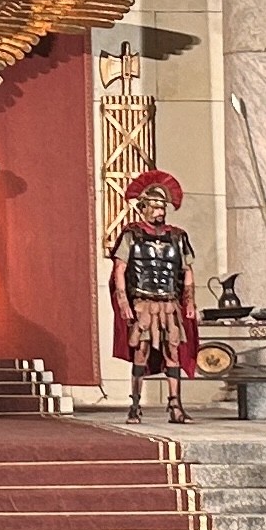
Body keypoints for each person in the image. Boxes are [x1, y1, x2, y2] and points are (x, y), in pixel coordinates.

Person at [103, 168, 198, 422]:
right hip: (143, 303)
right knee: (141, 351)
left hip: (169, 303)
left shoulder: (178, 237)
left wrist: (189, 302)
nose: (159, 212)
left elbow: (187, 271)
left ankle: (175, 405)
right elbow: (120, 269)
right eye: (154, 207)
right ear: (143, 208)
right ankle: (135, 405)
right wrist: (123, 302)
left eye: (162, 207)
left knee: (173, 351)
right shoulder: (132, 234)